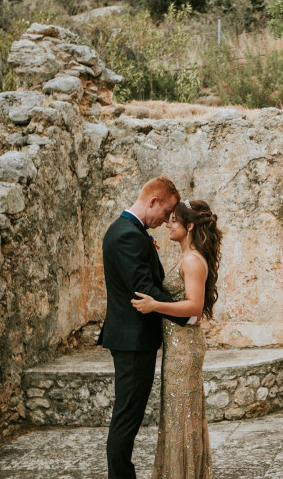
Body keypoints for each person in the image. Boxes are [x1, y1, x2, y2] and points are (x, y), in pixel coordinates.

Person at [98, 177, 193, 479]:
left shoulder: (130, 231)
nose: (166, 220)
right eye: (165, 212)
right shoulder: (128, 234)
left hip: (134, 339)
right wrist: (187, 314)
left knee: (129, 416)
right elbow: (143, 290)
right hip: (133, 341)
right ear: (153, 201)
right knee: (127, 418)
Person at [131, 199, 223, 479]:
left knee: (183, 413)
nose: (168, 225)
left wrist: (155, 306)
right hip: (176, 345)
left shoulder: (193, 260)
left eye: (173, 220)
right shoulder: (186, 257)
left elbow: (194, 307)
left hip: (185, 347)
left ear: (190, 226)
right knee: (177, 413)